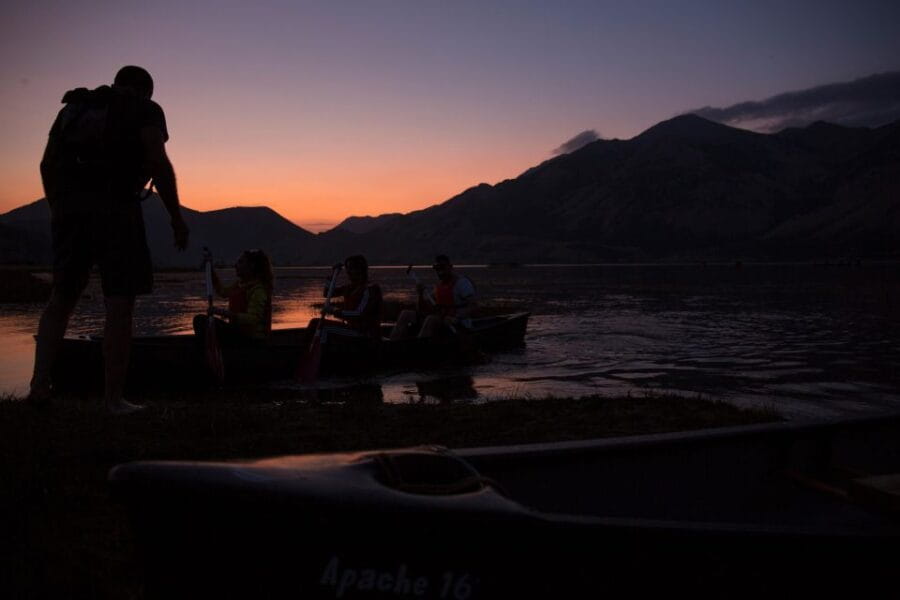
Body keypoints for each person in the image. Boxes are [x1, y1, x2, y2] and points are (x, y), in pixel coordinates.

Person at [28, 66, 189, 414]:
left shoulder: (75, 107)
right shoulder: (146, 109)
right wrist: (176, 218)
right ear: (144, 90)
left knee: (61, 297)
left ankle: (39, 386)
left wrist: (59, 207)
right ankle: (113, 399)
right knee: (119, 303)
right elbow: (157, 162)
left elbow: (45, 164)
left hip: (70, 210)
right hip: (118, 208)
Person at [193, 249, 274, 343]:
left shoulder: (258, 291)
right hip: (238, 333)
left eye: (240, 262)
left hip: (252, 339)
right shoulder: (240, 285)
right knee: (200, 321)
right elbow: (223, 292)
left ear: (251, 266)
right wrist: (211, 270)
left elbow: (253, 319)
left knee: (200, 321)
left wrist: (222, 313)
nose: (235, 265)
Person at [390, 255, 477, 340]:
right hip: (442, 321)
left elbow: (473, 306)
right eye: (437, 269)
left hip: (457, 324)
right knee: (406, 314)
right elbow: (421, 309)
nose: (440, 272)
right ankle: (393, 343)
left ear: (450, 267)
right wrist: (420, 294)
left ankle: (418, 349)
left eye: (443, 268)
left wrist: (456, 318)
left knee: (431, 319)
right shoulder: (439, 286)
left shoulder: (462, 283)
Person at [311, 254, 383, 344]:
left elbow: (359, 313)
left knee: (323, 326)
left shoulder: (370, 289)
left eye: (351, 269)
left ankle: (322, 355)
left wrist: (334, 311)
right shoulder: (349, 287)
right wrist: (333, 275)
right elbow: (327, 293)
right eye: (347, 269)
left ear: (359, 270)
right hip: (351, 328)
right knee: (315, 323)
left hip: (364, 333)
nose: (348, 272)